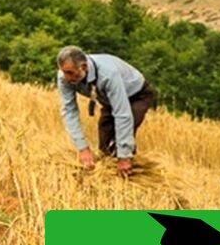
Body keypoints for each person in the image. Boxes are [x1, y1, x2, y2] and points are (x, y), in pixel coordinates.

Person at [56, 46, 157, 177]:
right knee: (105, 143)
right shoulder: (64, 77)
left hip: (136, 95)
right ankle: (109, 179)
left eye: (69, 73)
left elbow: (122, 114)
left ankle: (130, 174)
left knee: (119, 140)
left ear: (84, 67)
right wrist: (83, 148)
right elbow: (69, 111)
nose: (66, 77)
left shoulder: (108, 74)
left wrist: (124, 156)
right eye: (64, 72)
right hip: (108, 98)